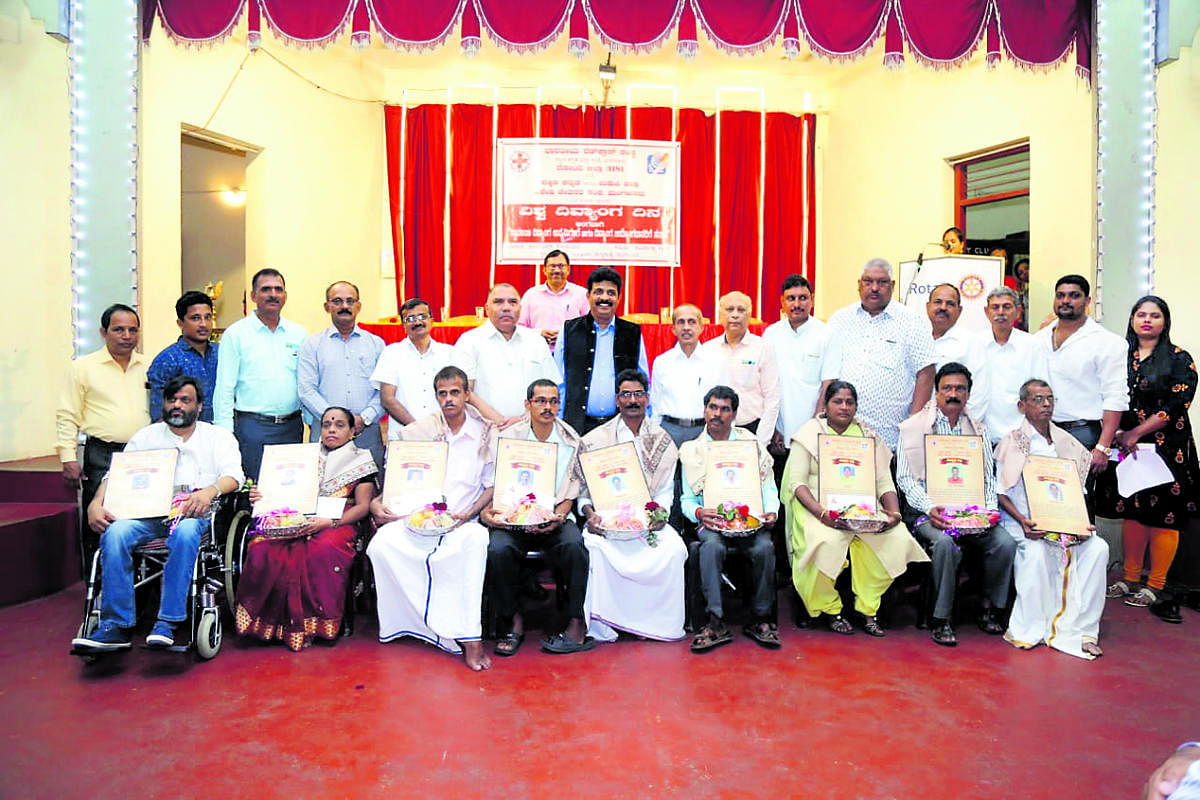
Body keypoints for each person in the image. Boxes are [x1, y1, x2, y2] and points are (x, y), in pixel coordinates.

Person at [71, 376, 243, 652]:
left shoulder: (217, 437)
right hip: (146, 516)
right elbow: (116, 474)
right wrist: (95, 503)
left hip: (192, 516)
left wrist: (208, 492)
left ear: (199, 406)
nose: (176, 405)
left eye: (185, 400)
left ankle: (168, 621)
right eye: (171, 400)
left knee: (186, 532)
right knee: (115, 533)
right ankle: (116, 624)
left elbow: (235, 476)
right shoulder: (146, 437)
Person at [368, 366, 496, 671]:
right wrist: (379, 503)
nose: (449, 399)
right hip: (418, 519)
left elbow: (491, 486)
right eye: (443, 393)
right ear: (436, 396)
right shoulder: (419, 433)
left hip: (464, 521)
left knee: (475, 543)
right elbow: (397, 481)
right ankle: (424, 626)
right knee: (381, 545)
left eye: (455, 392)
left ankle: (469, 636)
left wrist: (469, 513)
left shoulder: (484, 434)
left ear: (467, 394)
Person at [783, 381, 927, 636]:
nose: (844, 407)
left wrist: (893, 514)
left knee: (896, 538)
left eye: (850, 402)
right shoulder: (807, 435)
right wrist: (822, 514)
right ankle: (831, 609)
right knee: (825, 542)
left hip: (863, 510)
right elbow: (797, 484)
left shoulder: (867, 437)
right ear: (826, 405)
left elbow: (884, 481)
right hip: (819, 511)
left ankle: (868, 608)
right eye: (837, 401)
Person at [235, 406, 376, 651]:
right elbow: (279, 491)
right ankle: (271, 626)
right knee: (261, 548)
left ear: (353, 431)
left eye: (340, 425)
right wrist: (261, 495)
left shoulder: (361, 460)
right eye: (327, 424)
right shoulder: (302, 457)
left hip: (338, 522)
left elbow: (363, 506)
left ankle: (316, 625)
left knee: (321, 549)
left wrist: (328, 522)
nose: (331, 429)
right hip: (295, 519)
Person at [895, 362, 1016, 647]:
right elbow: (904, 478)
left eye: (960, 388)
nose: (953, 394)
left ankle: (990, 607)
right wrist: (929, 507)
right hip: (931, 515)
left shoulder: (979, 431)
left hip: (972, 513)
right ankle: (941, 618)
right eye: (947, 388)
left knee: (1005, 544)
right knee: (946, 545)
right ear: (936, 393)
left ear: (968, 394)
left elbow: (988, 477)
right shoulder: (913, 429)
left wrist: (987, 512)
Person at [1099, 296, 1198, 622]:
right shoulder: (1120, 355)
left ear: (1164, 322)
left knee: (1163, 515)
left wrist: (1136, 432)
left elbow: (1175, 406)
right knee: (1132, 509)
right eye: (1140, 314)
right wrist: (1116, 434)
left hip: (1167, 449)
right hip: (1126, 447)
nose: (1146, 320)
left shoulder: (1179, 359)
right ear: (1131, 319)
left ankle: (1154, 585)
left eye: (1154, 316)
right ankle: (1129, 578)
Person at [995, 379, 1107, 660]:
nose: (1046, 405)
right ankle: (1033, 627)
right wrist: (1023, 520)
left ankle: (1082, 630)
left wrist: (1081, 525)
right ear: (1022, 406)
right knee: (1035, 553)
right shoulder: (1012, 442)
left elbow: (1077, 494)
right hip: (1025, 523)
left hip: (1065, 522)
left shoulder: (1066, 443)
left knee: (1098, 548)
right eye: (1037, 399)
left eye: (1049, 399)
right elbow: (1000, 494)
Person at [578, 369, 687, 643]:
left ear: (648, 399)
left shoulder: (662, 440)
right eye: (626, 394)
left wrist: (658, 514)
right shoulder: (595, 440)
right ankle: (608, 625)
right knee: (595, 547)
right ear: (617, 400)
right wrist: (589, 514)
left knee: (674, 550)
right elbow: (583, 491)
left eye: (638, 394)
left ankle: (655, 625)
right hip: (606, 521)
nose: (632, 400)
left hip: (646, 520)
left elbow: (664, 492)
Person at [484, 380, 590, 655]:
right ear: (527, 405)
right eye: (540, 401)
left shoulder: (571, 440)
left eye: (553, 401)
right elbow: (493, 484)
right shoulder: (507, 438)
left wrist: (558, 516)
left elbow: (572, 491)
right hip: (513, 517)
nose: (547, 407)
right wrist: (498, 513)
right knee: (498, 549)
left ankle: (576, 623)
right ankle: (512, 621)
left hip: (554, 516)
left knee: (574, 546)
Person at [680, 386, 781, 652]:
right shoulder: (692, 450)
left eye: (725, 409)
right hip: (711, 522)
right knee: (710, 547)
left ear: (734, 414)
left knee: (764, 548)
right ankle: (715, 621)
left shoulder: (751, 444)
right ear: (705, 411)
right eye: (713, 407)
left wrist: (771, 510)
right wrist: (700, 513)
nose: (718, 414)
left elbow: (768, 487)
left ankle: (760, 619)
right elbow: (687, 502)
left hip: (749, 521)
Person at [56, 303, 150, 571]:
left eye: (133, 330)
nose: (127, 336)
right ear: (103, 332)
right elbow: (66, 413)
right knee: (99, 520)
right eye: (119, 329)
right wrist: (68, 457)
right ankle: (96, 592)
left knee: (140, 519)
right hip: (102, 453)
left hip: (143, 454)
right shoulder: (83, 368)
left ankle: (140, 591)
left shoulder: (149, 365)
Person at [828, 258, 936, 451]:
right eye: (868, 282)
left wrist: (913, 425)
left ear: (892, 286)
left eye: (882, 282)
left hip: (889, 438)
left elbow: (926, 374)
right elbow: (828, 371)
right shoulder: (839, 320)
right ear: (859, 285)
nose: (874, 288)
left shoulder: (912, 322)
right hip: (841, 434)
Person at [213, 268, 307, 479]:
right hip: (253, 428)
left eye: (278, 289)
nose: (273, 294)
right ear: (253, 296)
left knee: (289, 490)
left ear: (285, 296)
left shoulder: (299, 334)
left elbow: (304, 382)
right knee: (255, 493)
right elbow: (225, 387)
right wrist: (224, 433)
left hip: (292, 427)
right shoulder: (236, 334)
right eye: (266, 289)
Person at [1031, 274, 1127, 468]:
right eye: (1060, 295)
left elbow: (1115, 397)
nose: (1065, 301)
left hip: (1082, 433)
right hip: (1040, 433)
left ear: (1087, 301)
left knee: (1079, 497)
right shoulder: (1038, 339)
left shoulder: (1107, 342)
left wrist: (1102, 447)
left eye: (1074, 295)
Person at [649, 303, 729, 530]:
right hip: (670, 430)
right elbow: (655, 406)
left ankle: (704, 534)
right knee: (669, 487)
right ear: (672, 328)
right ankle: (672, 533)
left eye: (692, 322)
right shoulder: (662, 362)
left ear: (702, 326)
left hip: (702, 431)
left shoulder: (716, 361)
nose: (686, 327)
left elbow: (724, 402)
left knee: (702, 484)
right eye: (680, 322)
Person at [298, 281, 385, 468]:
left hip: (366, 433)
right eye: (337, 301)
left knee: (369, 494)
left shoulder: (376, 344)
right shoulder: (312, 345)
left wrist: (365, 418)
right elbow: (307, 391)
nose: (344, 306)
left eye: (350, 301)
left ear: (358, 306)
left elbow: (384, 390)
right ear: (327, 306)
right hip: (325, 436)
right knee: (325, 494)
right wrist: (336, 424)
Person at [554, 266, 650, 435]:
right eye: (598, 291)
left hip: (621, 428)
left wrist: (644, 423)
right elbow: (558, 381)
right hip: (576, 427)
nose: (604, 298)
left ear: (619, 298)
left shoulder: (632, 333)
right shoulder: (569, 330)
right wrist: (558, 423)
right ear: (588, 296)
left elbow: (644, 382)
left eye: (611, 293)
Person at [451, 283, 560, 427]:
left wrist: (527, 418)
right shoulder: (470, 341)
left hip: (532, 428)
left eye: (513, 302)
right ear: (487, 308)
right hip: (484, 428)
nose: (506, 307)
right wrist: (500, 421)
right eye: (498, 302)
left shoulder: (536, 341)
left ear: (520, 308)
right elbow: (465, 391)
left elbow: (551, 388)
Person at [763, 274, 840, 448]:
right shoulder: (770, 334)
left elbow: (829, 383)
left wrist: (816, 425)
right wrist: (771, 427)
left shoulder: (827, 335)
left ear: (812, 300)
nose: (797, 304)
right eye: (791, 298)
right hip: (778, 431)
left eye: (803, 298)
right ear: (782, 302)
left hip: (813, 429)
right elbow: (765, 384)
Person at [703, 291, 779, 447]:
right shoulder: (708, 349)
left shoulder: (763, 348)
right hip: (715, 431)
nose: (735, 315)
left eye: (741, 310)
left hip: (751, 429)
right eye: (729, 309)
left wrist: (761, 441)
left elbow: (772, 398)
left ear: (749, 315)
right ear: (720, 314)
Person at [371, 297, 452, 441]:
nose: (417, 322)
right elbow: (387, 399)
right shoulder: (392, 353)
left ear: (432, 321)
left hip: (443, 436)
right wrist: (417, 429)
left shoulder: (449, 353)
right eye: (410, 318)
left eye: (422, 316)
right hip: (403, 438)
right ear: (403, 325)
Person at [981, 287, 1047, 444]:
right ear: (986, 311)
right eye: (995, 307)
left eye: (1007, 307)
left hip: (1021, 435)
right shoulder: (974, 344)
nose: (1000, 312)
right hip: (982, 433)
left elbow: (1040, 390)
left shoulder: (1032, 345)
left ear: (1018, 311)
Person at [147, 290, 218, 423]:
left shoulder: (222, 353)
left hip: (219, 434)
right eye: (195, 318)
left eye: (207, 317)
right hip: (182, 435)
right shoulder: (167, 359)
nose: (203, 324)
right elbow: (160, 412)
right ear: (180, 323)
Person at [927, 283, 990, 425]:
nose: (943, 307)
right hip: (919, 427)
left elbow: (979, 393)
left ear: (959, 310)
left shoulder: (970, 342)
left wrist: (962, 427)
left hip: (957, 431)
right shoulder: (916, 338)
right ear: (928, 306)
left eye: (950, 304)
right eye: (938, 302)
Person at [518, 249, 590, 349]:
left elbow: (590, 326)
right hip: (538, 352)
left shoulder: (581, 294)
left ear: (568, 269)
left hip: (571, 353)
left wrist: (565, 336)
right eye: (552, 266)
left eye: (561, 266)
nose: (556, 270)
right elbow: (519, 327)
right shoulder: (531, 295)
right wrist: (539, 333)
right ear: (544, 270)